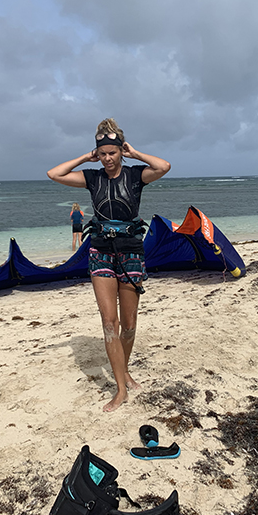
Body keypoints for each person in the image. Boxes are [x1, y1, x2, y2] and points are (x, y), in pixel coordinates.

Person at [47, 118, 171, 412]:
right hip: (100, 251)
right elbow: (54, 173)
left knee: (128, 325)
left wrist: (135, 153)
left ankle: (124, 370)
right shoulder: (92, 178)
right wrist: (84, 158)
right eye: (102, 154)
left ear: (120, 152)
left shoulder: (136, 176)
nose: (107, 159)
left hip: (131, 252)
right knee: (110, 325)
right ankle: (120, 388)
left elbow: (164, 167)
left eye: (112, 153)